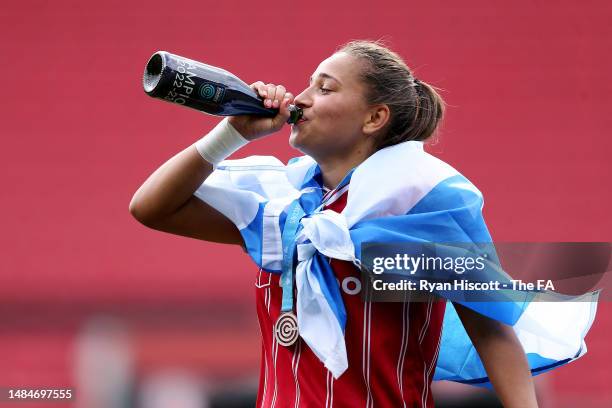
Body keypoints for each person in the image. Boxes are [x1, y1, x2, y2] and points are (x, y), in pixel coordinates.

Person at [129, 40, 541, 407]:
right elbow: (151, 207)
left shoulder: (422, 204)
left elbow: (490, 330)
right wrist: (231, 133)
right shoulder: (282, 205)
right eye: (307, 85)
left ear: (374, 117)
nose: (301, 99)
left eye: (324, 88)